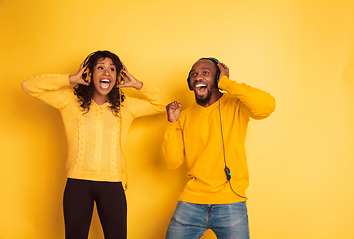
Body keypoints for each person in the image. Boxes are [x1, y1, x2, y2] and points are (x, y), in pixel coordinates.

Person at [21, 50, 169, 239]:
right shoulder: (69, 102)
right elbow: (29, 86)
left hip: (112, 185)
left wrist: (137, 84)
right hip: (77, 185)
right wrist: (71, 79)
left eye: (112, 69)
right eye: (100, 68)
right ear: (89, 73)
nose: (107, 73)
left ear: (118, 76)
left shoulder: (126, 106)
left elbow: (163, 103)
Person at [161, 57, 276, 239]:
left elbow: (267, 106)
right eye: (194, 74)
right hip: (191, 202)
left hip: (230, 202)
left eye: (205, 73)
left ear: (217, 78)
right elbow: (171, 163)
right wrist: (171, 124)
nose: (198, 77)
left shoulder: (236, 105)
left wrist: (228, 84)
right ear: (190, 83)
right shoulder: (184, 116)